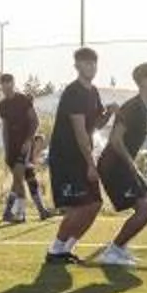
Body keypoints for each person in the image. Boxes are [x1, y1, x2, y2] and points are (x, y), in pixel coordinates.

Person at [85, 61, 147, 268]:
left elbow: (146, 129)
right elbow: (115, 140)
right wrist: (131, 164)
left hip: (123, 165)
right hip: (114, 166)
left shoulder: (141, 109)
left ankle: (119, 248)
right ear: (145, 81)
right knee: (145, 209)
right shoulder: (133, 107)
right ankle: (113, 251)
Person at [43, 47, 108, 263]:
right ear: (77, 66)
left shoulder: (93, 92)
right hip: (67, 158)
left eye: (94, 63)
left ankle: (66, 249)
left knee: (95, 204)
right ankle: (55, 250)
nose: (91, 67)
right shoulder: (73, 92)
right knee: (78, 207)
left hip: (82, 156)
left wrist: (109, 114)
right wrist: (91, 164)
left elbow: (94, 125)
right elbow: (80, 131)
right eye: (86, 63)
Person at [0, 73, 46, 222]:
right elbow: (5, 128)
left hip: (24, 145)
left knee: (18, 177)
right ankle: (40, 211)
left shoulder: (23, 100)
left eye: (9, 85)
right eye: (3, 86)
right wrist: (6, 148)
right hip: (12, 147)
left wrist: (28, 141)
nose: (6, 89)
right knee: (22, 178)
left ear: (13, 84)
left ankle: (20, 213)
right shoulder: (2, 105)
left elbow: (35, 121)